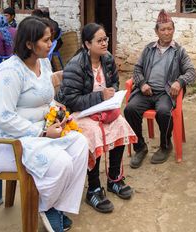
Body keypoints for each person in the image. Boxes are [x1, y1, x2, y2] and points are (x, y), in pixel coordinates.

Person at [0, 16, 88, 232]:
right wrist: (43, 132)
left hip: (39, 133)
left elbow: (47, 99)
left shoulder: (43, 63)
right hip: (7, 141)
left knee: (80, 143)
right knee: (62, 162)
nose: (50, 44)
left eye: (51, 39)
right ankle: (46, 206)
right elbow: (4, 117)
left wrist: (58, 110)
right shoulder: (9, 72)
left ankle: (56, 205)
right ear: (29, 44)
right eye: (46, 40)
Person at [57, 23, 137, 213]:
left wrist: (111, 96)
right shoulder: (75, 66)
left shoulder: (107, 59)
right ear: (87, 44)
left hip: (102, 109)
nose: (104, 44)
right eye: (99, 41)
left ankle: (114, 179)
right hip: (79, 113)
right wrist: (100, 97)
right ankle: (93, 189)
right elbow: (71, 100)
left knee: (120, 124)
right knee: (92, 134)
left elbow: (114, 83)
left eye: (105, 39)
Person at [124, 9, 196, 168]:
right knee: (129, 109)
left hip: (166, 93)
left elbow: (191, 72)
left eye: (170, 29)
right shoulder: (149, 49)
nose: (167, 32)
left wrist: (179, 81)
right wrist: (142, 83)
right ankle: (140, 147)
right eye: (163, 29)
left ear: (174, 30)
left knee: (164, 112)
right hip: (146, 92)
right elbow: (137, 69)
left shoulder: (179, 51)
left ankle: (165, 145)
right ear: (156, 32)